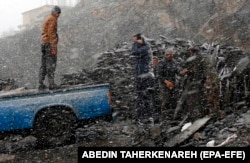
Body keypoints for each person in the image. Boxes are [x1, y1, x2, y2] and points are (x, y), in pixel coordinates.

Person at [131, 33, 154, 130]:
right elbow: (134, 51)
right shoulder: (137, 45)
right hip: (139, 75)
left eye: (136, 40)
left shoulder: (146, 47)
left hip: (146, 74)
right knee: (140, 97)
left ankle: (149, 116)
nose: (134, 42)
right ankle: (141, 117)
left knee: (147, 96)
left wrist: (137, 46)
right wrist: (136, 44)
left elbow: (137, 52)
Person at [38, 5, 61, 90]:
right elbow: (51, 33)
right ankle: (51, 84)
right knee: (51, 64)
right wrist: (53, 46)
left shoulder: (48, 18)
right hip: (49, 44)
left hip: (44, 43)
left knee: (43, 64)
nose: (59, 15)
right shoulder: (52, 19)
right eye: (58, 13)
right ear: (55, 13)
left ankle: (41, 83)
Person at [157, 48, 180, 121]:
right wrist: (166, 82)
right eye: (168, 55)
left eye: (171, 54)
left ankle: (172, 117)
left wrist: (183, 73)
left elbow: (178, 72)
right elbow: (159, 75)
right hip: (164, 85)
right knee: (165, 101)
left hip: (173, 84)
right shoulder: (162, 63)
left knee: (173, 100)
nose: (169, 56)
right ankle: (164, 118)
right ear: (165, 55)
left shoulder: (174, 63)